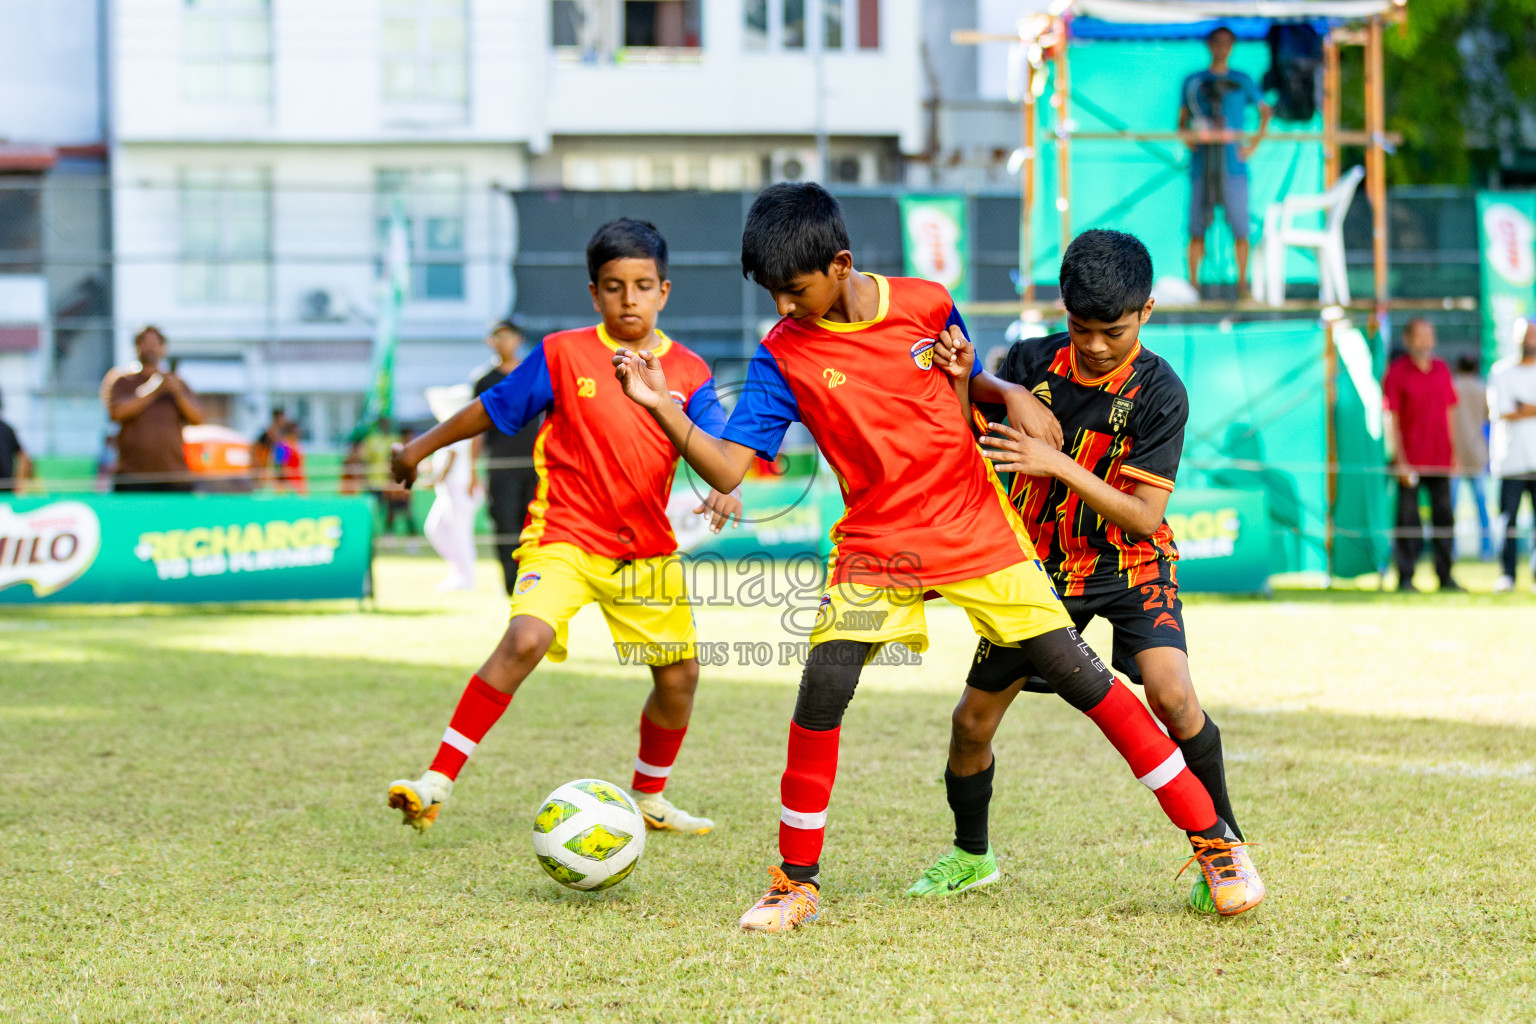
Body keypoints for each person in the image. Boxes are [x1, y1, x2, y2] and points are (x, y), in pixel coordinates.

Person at [612, 183, 1261, 932]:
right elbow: (726, 468)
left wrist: (998, 389)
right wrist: (662, 406)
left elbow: (962, 386)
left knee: (1084, 680)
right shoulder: (783, 353)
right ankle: (795, 883)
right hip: (876, 542)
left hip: (976, 526)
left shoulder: (925, 302)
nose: (784, 309)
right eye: (774, 296)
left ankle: (1215, 842)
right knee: (823, 687)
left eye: (794, 291)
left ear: (841, 263)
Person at [919, 229, 1247, 914]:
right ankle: (971, 857)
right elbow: (966, 440)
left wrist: (1059, 464)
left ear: (1147, 313)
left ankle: (1225, 851)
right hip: (1035, 573)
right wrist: (982, 385)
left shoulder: (1161, 392)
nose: (1096, 343)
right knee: (971, 723)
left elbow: (1142, 515)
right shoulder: (1030, 361)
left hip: (1129, 563)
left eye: (1114, 330)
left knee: (1174, 696)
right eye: (1082, 327)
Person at [383, 217, 740, 838]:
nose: (629, 300)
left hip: (645, 550)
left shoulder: (687, 370)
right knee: (523, 638)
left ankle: (650, 798)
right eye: (613, 286)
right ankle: (433, 783)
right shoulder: (562, 353)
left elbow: (717, 446)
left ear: (665, 291)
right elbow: (492, 409)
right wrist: (419, 446)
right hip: (565, 535)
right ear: (594, 291)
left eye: (642, 285)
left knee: (679, 676)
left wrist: (720, 485)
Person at [1179, 26, 1272, 297]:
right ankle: (1194, 285)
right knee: (1197, 227)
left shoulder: (1241, 80)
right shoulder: (1195, 82)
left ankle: (1243, 284)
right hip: (1202, 166)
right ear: (1209, 45)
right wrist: (1192, 140)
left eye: (1227, 43)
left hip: (1233, 167)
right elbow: (1182, 121)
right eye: (1217, 42)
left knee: (1240, 227)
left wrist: (1252, 145)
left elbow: (1265, 111)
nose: (1222, 48)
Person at [1382, 319, 1462, 592]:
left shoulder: (1441, 369)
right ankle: (1405, 578)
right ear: (1407, 339)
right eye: (1420, 336)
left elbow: (1450, 413)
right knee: (1407, 521)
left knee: (1444, 520)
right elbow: (1390, 418)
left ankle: (1446, 576)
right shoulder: (1396, 372)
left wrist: (1454, 453)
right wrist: (1399, 460)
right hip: (1410, 461)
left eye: (1429, 335)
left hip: (1440, 459)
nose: (1425, 341)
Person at [474, 320, 544, 594]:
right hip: (500, 464)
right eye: (497, 337)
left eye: (508, 336)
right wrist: (472, 470)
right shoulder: (485, 380)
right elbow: (476, 428)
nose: (504, 341)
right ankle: (510, 586)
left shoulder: (533, 373)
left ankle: (533, 582)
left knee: (533, 523)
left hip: (535, 463)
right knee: (505, 523)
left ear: (519, 339)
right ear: (490, 341)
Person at [103, 326, 203, 492]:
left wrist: (178, 394)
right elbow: (117, 412)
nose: (151, 347)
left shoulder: (176, 383)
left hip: (174, 476)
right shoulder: (121, 380)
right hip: (133, 477)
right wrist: (153, 390)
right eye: (146, 342)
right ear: (136, 347)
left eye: (156, 343)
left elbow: (198, 418)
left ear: (163, 348)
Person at [1489, 321, 1536, 593]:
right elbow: (1502, 410)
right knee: (1508, 521)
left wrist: (1524, 407)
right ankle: (1507, 574)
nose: (1529, 341)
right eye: (1525, 336)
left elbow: (1516, 408)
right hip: (1511, 461)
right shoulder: (1501, 372)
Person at [422, 386, 482, 592]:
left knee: (460, 534)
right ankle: (458, 572)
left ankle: (466, 578)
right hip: (448, 491)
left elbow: (452, 458)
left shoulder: (461, 427)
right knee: (436, 529)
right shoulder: (451, 427)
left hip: (460, 489)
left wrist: (434, 478)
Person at [1450, 353, 1494, 560]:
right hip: (1476, 453)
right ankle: (1487, 549)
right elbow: (1488, 417)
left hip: (1454, 454)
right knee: (1481, 506)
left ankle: (1451, 549)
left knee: (1451, 507)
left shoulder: (1452, 386)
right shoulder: (1482, 388)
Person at [0, 390, 32, 493]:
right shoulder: (6, 429)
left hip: (5, 492)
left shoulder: (5, 430)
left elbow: (24, 459)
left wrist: (18, 486)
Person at [252, 407, 288, 487]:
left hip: (274, 461)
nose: (284, 420)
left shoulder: (280, 431)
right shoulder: (271, 431)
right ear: (277, 418)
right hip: (266, 460)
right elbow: (259, 448)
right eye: (283, 418)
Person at [274, 421, 307, 494]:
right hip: (289, 486)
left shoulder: (296, 444)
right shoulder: (284, 446)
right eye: (297, 430)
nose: (299, 432)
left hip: (298, 483)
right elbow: (281, 467)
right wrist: (288, 485)